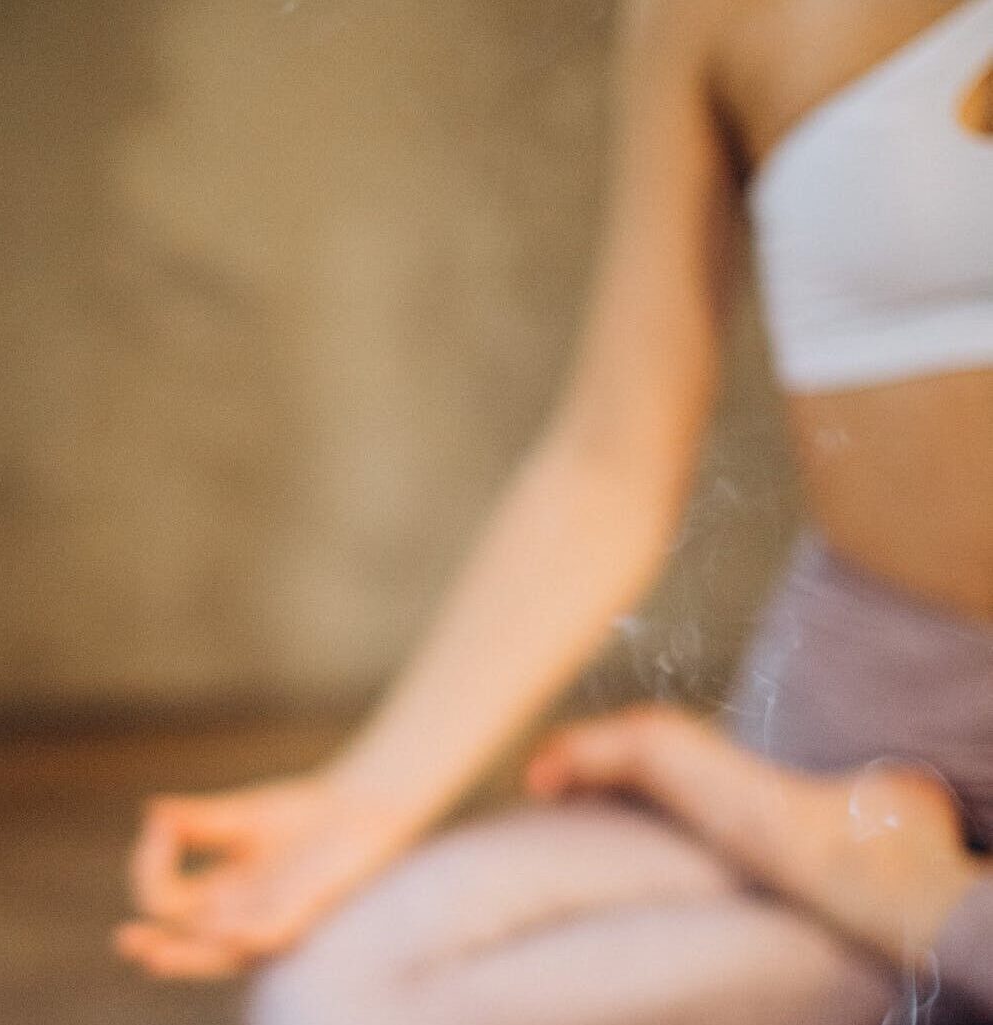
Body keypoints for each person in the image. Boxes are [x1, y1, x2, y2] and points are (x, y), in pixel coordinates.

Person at [116, 0, 993, 1020]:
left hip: (866, 851)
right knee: (344, 993)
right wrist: (367, 797)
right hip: (850, 755)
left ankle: (930, 939)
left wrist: (920, 899)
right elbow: (609, 460)